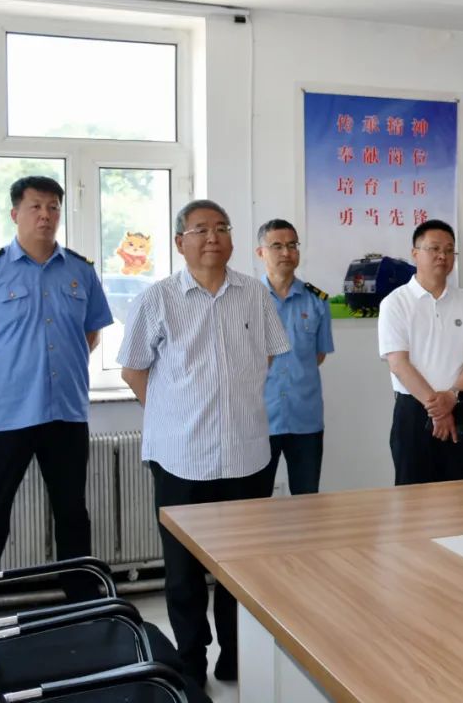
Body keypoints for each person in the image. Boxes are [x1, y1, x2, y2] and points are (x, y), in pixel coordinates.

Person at [117, 199, 290, 686]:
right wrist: (174, 415)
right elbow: (133, 370)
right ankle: (190, 663)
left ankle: (236, 657)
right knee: (183, 574)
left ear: (232, 239)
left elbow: (267, 357)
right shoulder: (157, 299)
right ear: (180, 242)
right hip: (180, 458)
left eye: (221, 228)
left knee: (241, 568)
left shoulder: (255, 295)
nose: (212, 237)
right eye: (200, 230)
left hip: (246, 455)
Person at [0, 176, 112, 576]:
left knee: (72, 512)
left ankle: (79, 597)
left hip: (66, 412)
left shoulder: (80, 270)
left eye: (53, 207)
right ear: (15, 214)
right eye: (36, 206)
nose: (45, 215)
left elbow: (91, 332)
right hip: (7, 414)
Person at [378, 220, 463, 485]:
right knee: (413, 498)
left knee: (459, 494)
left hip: (459, 407)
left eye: (449, 250)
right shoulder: (396, 303)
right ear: (415, 253)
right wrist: (438, 409)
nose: (443, 256)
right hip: (414, 412)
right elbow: (399, 364)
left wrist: (452, 397)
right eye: (434, 248)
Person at [256, 219, 334, 495]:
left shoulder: (317, 300)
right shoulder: (248, 300)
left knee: (307, 499)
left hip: (305, 417)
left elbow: (319, 354)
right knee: (253, 502)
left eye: (292, 245)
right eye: (277, 246)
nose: (286, 253)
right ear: (261, 252)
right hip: (259, 417)